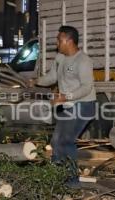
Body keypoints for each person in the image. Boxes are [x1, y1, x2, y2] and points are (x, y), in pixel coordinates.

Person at [36, 26, 96, 187]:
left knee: (66, 141)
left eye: (59, 39)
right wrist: (36, 81)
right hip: (67, 106)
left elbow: (86, 87)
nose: (57, 43)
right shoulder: (60, 58)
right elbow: (52, 77)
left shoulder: (83, 61)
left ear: (69, 41)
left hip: (83, 105)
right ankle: (55, 175)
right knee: (56, 141)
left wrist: (64, 96)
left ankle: (72, 182)